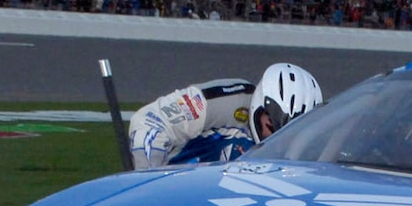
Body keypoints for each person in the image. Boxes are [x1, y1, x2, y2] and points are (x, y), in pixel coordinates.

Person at [127, 63, 323, 169]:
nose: (276, 140)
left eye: (290, 134)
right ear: (259, 107)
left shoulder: (311, 147)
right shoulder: (225, 100)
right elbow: (150, 122)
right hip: (175, 187)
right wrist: (148, 177)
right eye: (272, 127)